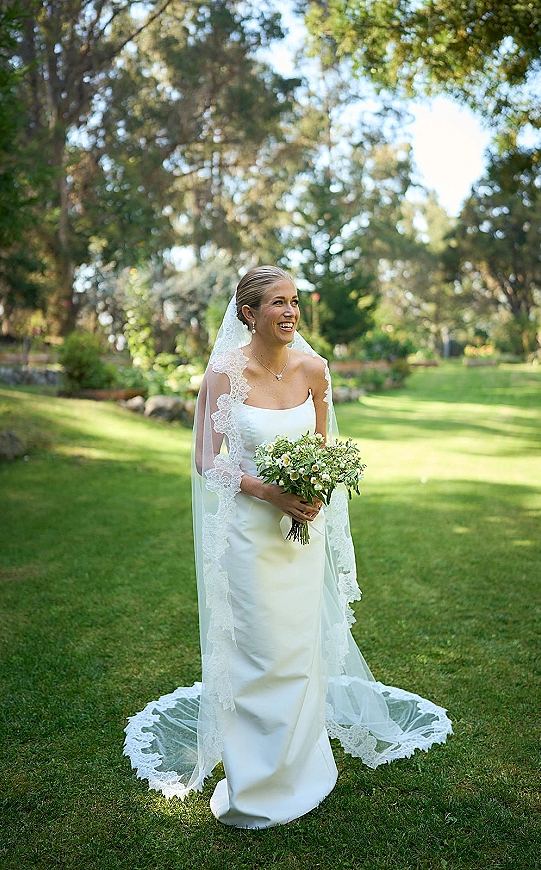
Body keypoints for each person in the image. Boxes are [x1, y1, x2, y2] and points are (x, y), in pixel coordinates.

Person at [123, 265, 452, 829]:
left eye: (295, 302)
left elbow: (322, 450)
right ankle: (254, 778)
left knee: (298, 651)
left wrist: (313, 492)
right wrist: (266, 492)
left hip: (303, 532)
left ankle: (305, 766)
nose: (291, 312)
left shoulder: (314, 369)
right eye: (278, 303)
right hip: (249, 535)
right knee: (258, 650)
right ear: (248, 314)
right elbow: (206, 459)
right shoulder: (224, 376)